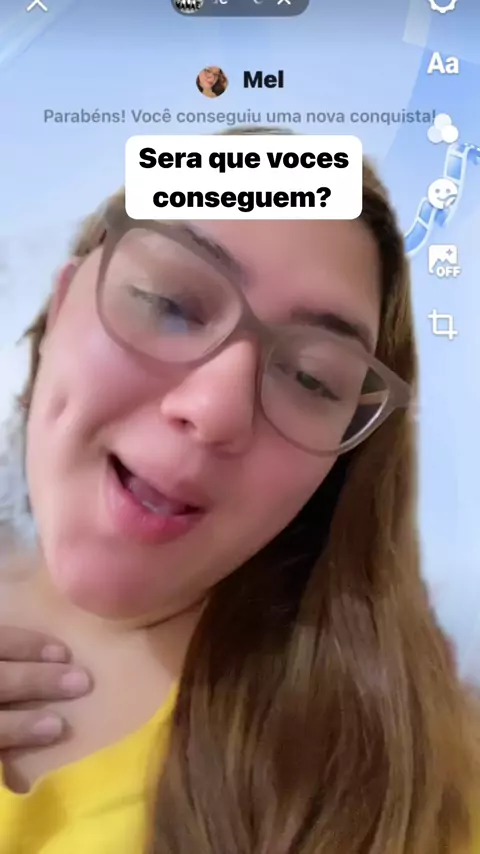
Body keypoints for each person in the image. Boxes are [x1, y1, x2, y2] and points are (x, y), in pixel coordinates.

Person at [0, 126, 478, 854]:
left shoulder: (405, 791)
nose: (216, 409)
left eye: (312, 378)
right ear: (62, 305)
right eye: (168, 303)